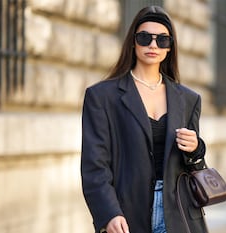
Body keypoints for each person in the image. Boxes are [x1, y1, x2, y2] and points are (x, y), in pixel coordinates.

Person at [81, 5, 208, 233]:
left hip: (178, 213)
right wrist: (108, 212)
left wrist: (197, 148)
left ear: (170, 48)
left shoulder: (188, 100)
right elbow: (94, 165)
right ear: (133, 41)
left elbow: (194, 169)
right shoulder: (102, 97)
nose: (153, 45)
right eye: (144, 37)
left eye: (162, 40)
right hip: (127, 214)